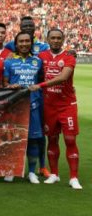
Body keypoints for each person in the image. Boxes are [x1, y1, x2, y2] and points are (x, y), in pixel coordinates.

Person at [29, 28, 82, 189]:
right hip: (49, 105)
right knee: (52, 139)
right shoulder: (41, 57)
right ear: (48, 39)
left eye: (59, 38)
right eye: (53, 38)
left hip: (67, 105)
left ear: (63, 39)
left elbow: (64, 77)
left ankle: (73, 177)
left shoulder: (69, 57)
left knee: (70, 139)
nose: (56, 40)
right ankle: (54, 174)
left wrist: (41, 85)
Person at [4, 16, 50, 177]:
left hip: (35, 102)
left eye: (31, 25)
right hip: (16, 104)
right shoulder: (9, 50)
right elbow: (5, 82)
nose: (28, 27)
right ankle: (12, 168)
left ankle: (40, 167)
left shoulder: (43, 48)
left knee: (37, 136)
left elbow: (42, 78)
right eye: (25, 25)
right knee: (12, 136)